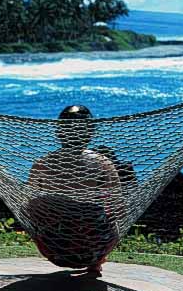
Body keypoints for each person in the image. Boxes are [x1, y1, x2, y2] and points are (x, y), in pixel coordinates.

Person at [27, 105, 122, 277]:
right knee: (110, 216)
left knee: (35, 205)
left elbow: (28, 206)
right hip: (93, 247)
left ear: (59, 132)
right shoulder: (103, 164)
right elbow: (118, 206)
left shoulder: (41, 164)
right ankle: (96, 264)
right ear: (90, 132)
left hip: (54, 246)